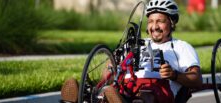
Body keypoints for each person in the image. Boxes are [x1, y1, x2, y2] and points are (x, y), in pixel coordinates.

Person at [60, 0, 202, 102]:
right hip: (127, 86)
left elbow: (197, 79)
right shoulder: (137, 44)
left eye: (160, 21)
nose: (154, 26)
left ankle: (110, 98)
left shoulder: (181, 47)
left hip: (156, 89)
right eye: (151, 21)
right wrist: (112, 65)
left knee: (144, 96)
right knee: (112, 90)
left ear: (171, 23)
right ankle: (83, 96)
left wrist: (174, 75)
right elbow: (108, 76)